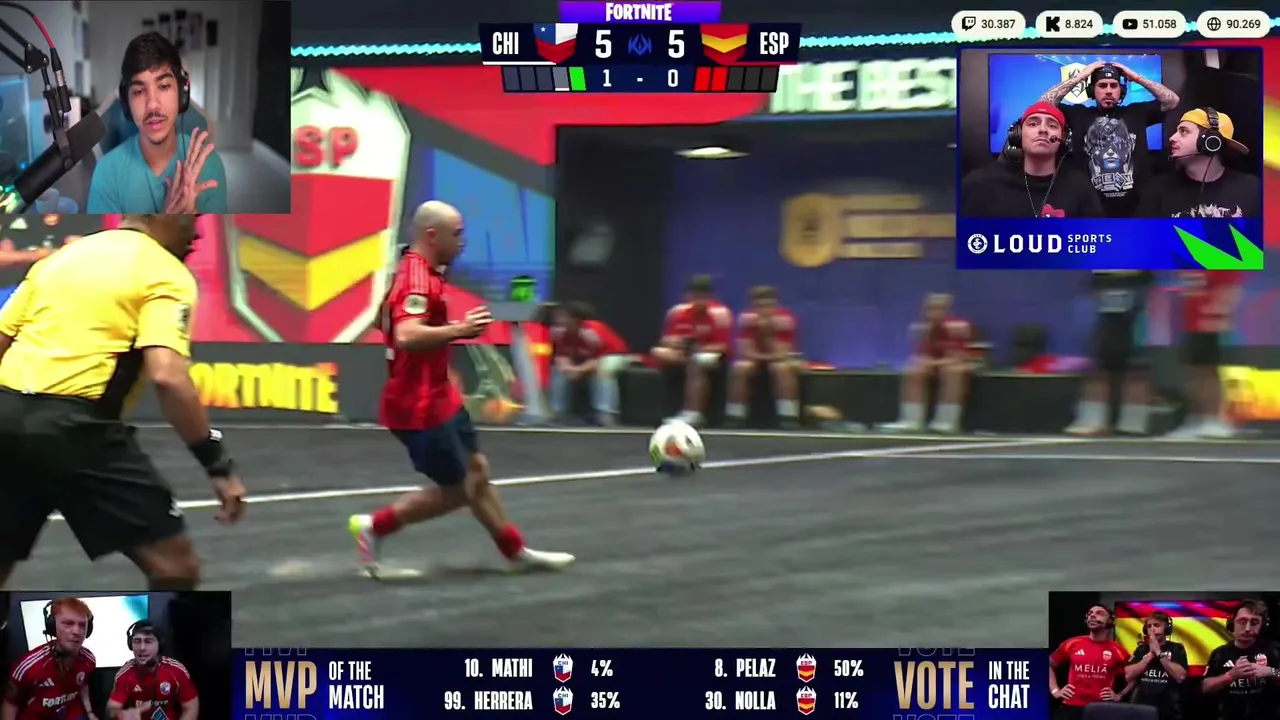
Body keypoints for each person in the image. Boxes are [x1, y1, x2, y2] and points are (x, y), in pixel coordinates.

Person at [0, 215, 246, 590]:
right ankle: (91, 629)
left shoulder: (60, 260)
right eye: (192, 216)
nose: (198, 231)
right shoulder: (164, 271)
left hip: (5, 418)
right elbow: (168, 376)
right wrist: (217, 465)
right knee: (175, 568)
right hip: (76, 429)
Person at [348, 200, 574, 577]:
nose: (463, 241)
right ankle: (374, 527)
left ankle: (515, 551)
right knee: (460, 489)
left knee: (477, 470)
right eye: (457, 234)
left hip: (440, 396)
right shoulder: (417, 279)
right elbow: (406, 335)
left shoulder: (421, 271)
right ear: (432, 236)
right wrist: (461, 330)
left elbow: (381, 322)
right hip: (417, 405)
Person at [87, 32, 226, 214]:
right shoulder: (106, 174)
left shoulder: (210, 165)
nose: (152, 104)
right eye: (139, 91)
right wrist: (165, 222)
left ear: (182, 94)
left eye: (164, 86)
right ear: (127, 102)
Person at [1039, 60, 1180, 216]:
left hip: (1136, 210)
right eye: (1102, 85)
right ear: (1092, 90)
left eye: (1114, 86)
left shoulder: (1138, 112)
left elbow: (1172, 101)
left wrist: (1136, 78)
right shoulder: (1078, 114)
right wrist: (1080, 77)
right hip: (1089, 211)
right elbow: (1044, 104)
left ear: (1122, 90)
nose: (1108, 91)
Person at [960, 102, 1104, 218]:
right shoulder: (981, 184)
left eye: (1052, 125)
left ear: (1064, 140)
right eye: (1033, 124)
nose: (1043, 130)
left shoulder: (1081, 189)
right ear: (1017, 135)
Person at [1065, 271, 1157, 436]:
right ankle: (1091, 418)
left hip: (1137, 287)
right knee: (1099, 358)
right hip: (1104, 284)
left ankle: (1134, 421)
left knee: (1135, 361)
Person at [1138, 109, 1260, 218]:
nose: (1172, 138)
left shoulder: (1252, 188)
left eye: (1183, 131)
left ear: (1211, 142)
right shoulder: (1155, 190)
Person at [1166, 267, 1243, 439]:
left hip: (1209, 318)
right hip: (1193, 319)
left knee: (1206, 369)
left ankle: (1214, 419)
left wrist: (1216, 313)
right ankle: (1197, 418)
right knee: (1194, 370)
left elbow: (1228, 287)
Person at [883, 294, 973, 433]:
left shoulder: (959, 326)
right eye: (931, 309)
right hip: (937, 363)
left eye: (940, 308)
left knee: (953, 371)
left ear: (948, 310)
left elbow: (958, 357)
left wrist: (932, 364)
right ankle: (911, 421)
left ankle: (947, 422)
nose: (935, 312)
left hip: (963, 362)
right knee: (913, 371)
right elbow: (921, 355)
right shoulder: (921, 328)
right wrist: (924, 363)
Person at [651, 275, 733, 427]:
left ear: (710, 297)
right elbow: (666, 340)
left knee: (696, 361)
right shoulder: (677, 312)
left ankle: (694, 412)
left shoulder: (720, 313)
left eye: (702, 297)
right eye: (694, 296)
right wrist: (673, 342)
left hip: (711, 355)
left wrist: (697, 349)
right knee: (657, 352)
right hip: (683, 353)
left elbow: (723, 346)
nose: (698, 301)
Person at [3, 598, 98, 720]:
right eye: (67, 624)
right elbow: (10, 703)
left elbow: (83, 685)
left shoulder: (88, 659)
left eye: (82, 625)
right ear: (52, 626)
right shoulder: (28, 666)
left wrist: (90, 713)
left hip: (71, 714)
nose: (76, 632)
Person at [725, 285, 801, 428]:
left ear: (776, 305)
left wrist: (768, 332)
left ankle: (788, 416)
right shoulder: (746, 319)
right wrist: (761, 358)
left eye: (769, 306)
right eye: (759, 306)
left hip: (778, 359)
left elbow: (783, 353)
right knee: (740, 368)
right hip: (757, 358)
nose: (765, 310)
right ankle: (735, 415)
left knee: (782, 369)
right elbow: (744, 351)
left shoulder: (785, 319)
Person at [1049, 605, 1130, 720]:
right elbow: (1048, 665)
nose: (1092, 615)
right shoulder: (1072, 643)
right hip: (1070, 707)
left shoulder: (1118, 650)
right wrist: (1055, 690)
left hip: (1101, 710)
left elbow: (1134, 675)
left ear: (1111, 621)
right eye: (1090, 613)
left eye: (1099, 613)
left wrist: (1120, 695)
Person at [1202, 601, 1280, 720]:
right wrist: (1230, 676)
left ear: (1262, 626)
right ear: (1232, 624)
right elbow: (1205, 688)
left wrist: (1271, 672)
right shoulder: (1220, 654)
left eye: (1254, 623)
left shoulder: (1274, 650)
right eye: (1242, 622)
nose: (1248, 628)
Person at [108, 620, 198, 720]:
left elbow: (191, 707)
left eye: (148, 641)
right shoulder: (125, 674)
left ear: (159, 644)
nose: (142, 648)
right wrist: (121, 714)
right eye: (137, 641)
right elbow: (111, 709)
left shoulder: (175, 670)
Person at [1124, 611, 1188, 720]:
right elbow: (1129, 675)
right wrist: (1149, 656)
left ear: (1167, 629)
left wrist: (1158, 652)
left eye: (1157, 625)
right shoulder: (1141, 649)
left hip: (1168, 710)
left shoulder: (1177, 648)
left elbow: (1180, 676)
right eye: (1149, 626)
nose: (1152, 629)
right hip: (1141, 709)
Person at [547, 302, 604, 424]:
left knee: (602, 371)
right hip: (580, 364)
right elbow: (560, 355)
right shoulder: (561, 333)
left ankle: (604, 414)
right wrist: (567, 368)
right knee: (558, 370)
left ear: (575, 319)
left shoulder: (593, 332)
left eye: (563, 317)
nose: (558, 320)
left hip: (609, 359)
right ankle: (558, 412)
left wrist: (578, 370)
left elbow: (599, 359)